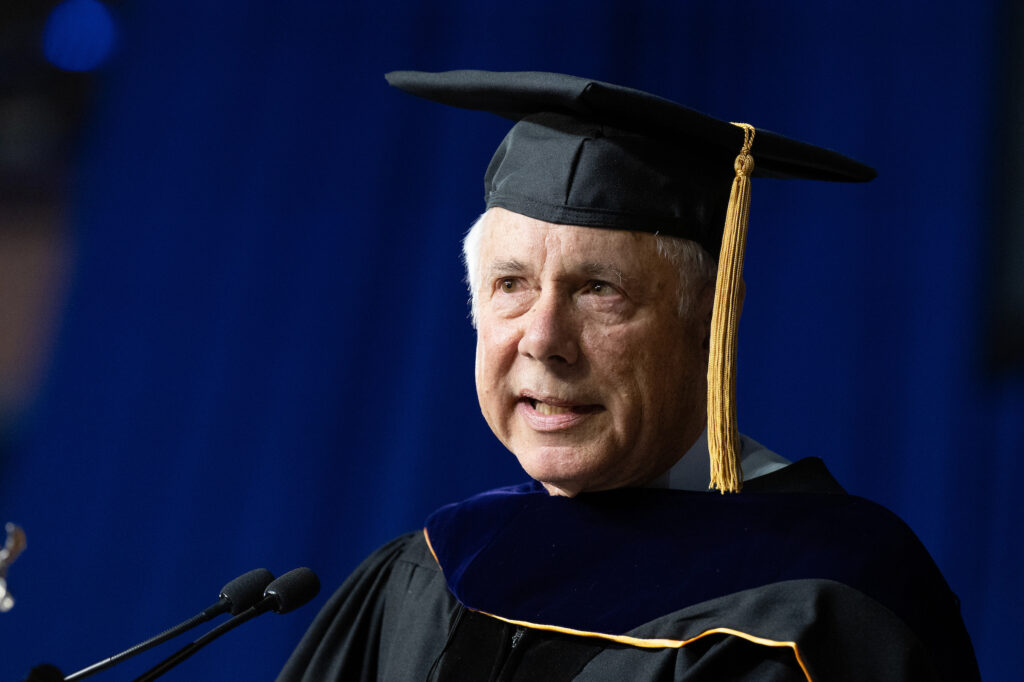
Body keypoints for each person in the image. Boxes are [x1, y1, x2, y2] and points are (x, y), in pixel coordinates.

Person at [277, 70, 979, 681]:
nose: (545, 341)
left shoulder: (819, 602)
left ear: (706, 323)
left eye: (598, 290)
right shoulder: (432, 570)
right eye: (511, 284)